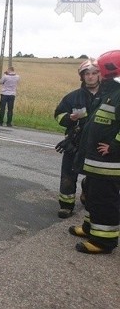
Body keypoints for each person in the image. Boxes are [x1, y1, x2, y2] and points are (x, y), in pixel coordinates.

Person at [70, 50, 120, 254]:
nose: (95, 72)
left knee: (104, 200)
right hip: (96, 162)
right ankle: (91, 228)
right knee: (92, 194)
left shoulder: (117, 94)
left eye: (99, 69)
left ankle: (103, 241)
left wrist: (115, 145)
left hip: (108, 163)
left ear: (108, 69)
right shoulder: (108, 92)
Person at [53, 59, 100, 219]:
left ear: (100, 75)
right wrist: (69, 118)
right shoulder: (72, 97)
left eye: (94, 73)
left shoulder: (108, 97)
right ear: (82, 76)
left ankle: (87, 194)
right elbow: (58, 115)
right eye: (87, 74)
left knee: (94, 175)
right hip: (74, 142)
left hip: (97, 144)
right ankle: (66, 205)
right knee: (68, 173)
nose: (91, 77)